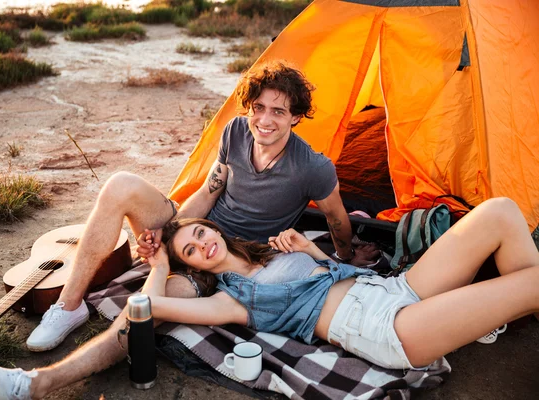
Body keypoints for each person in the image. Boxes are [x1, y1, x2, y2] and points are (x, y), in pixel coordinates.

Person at [0, 197, 539, 400]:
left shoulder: (273, 249)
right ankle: (34, 384)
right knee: (527, 284)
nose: (202, 242)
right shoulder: (233, 300)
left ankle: (509, 306)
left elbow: (340, 272)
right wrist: (161, 263)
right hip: (386, 330)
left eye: (198, 233)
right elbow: (148, 309)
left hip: (392, 290)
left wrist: (318, 257)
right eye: (192, 250)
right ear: (194, 265)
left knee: (501, 213)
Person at [24, 60, 379, 352]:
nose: (265, 120)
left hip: (227, 257)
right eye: (258, 108)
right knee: (120, 184)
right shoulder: (236, 131)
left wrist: (343, 258)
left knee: (156, 301)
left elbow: (336, 219)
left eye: (278, 111)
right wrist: (171, 231)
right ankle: (68, 307)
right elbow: (210, 192)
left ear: (296, 116)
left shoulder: (313, 166)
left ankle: (97, 354)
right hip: (197, 230)